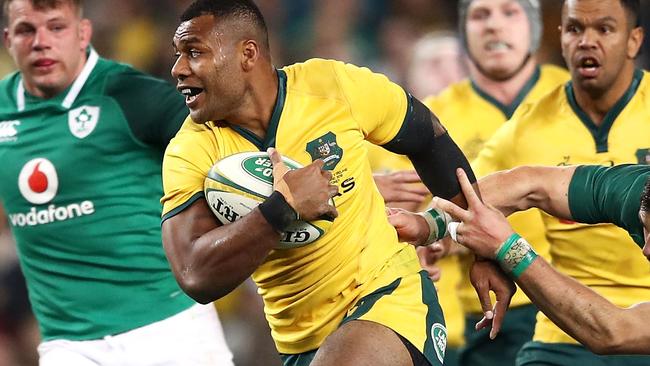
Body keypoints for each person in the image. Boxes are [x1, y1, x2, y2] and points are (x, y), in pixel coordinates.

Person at [160, 1, 515, 365]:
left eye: (193, 52)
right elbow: (195, 274)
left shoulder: (330, 85)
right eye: (178, 55)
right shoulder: (190, 151)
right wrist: (282, 208)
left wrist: (482, 248)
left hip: (388, 299)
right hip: (300, 342)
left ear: (247, 54)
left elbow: (428, 138)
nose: (178, 69)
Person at [0, 0, 233, 365]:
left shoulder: (128, 94)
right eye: (27, 30)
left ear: (82, 34)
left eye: (56, 27)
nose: (41, 42)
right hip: (70, 346)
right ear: (8, 39)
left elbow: (224, 142)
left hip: (171, 329)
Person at [375, 1, 569, 365]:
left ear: (535, 28)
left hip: (577, 295)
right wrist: (422, 243)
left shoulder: (574, 97)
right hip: (484, 313)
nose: (495, 26)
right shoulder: (431, 120)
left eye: (509, 13)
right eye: (481, 16)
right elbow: (411, 208)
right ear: (465, 32)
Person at [464, 0, 650, 364]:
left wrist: (504, 248)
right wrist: (433, 230)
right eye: (576, 29)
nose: (587, 41)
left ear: (634, 40)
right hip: (562, 325)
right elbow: (495, 193)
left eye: (605, 29)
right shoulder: (526, 127)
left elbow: (613, 332)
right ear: (560, 37)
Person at [390, 164, 650, 355]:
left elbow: (613, 332)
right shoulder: (640, 191)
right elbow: (531, 184)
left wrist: (506, 248)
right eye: (646, 228)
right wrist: (428, 226)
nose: (646, 249)